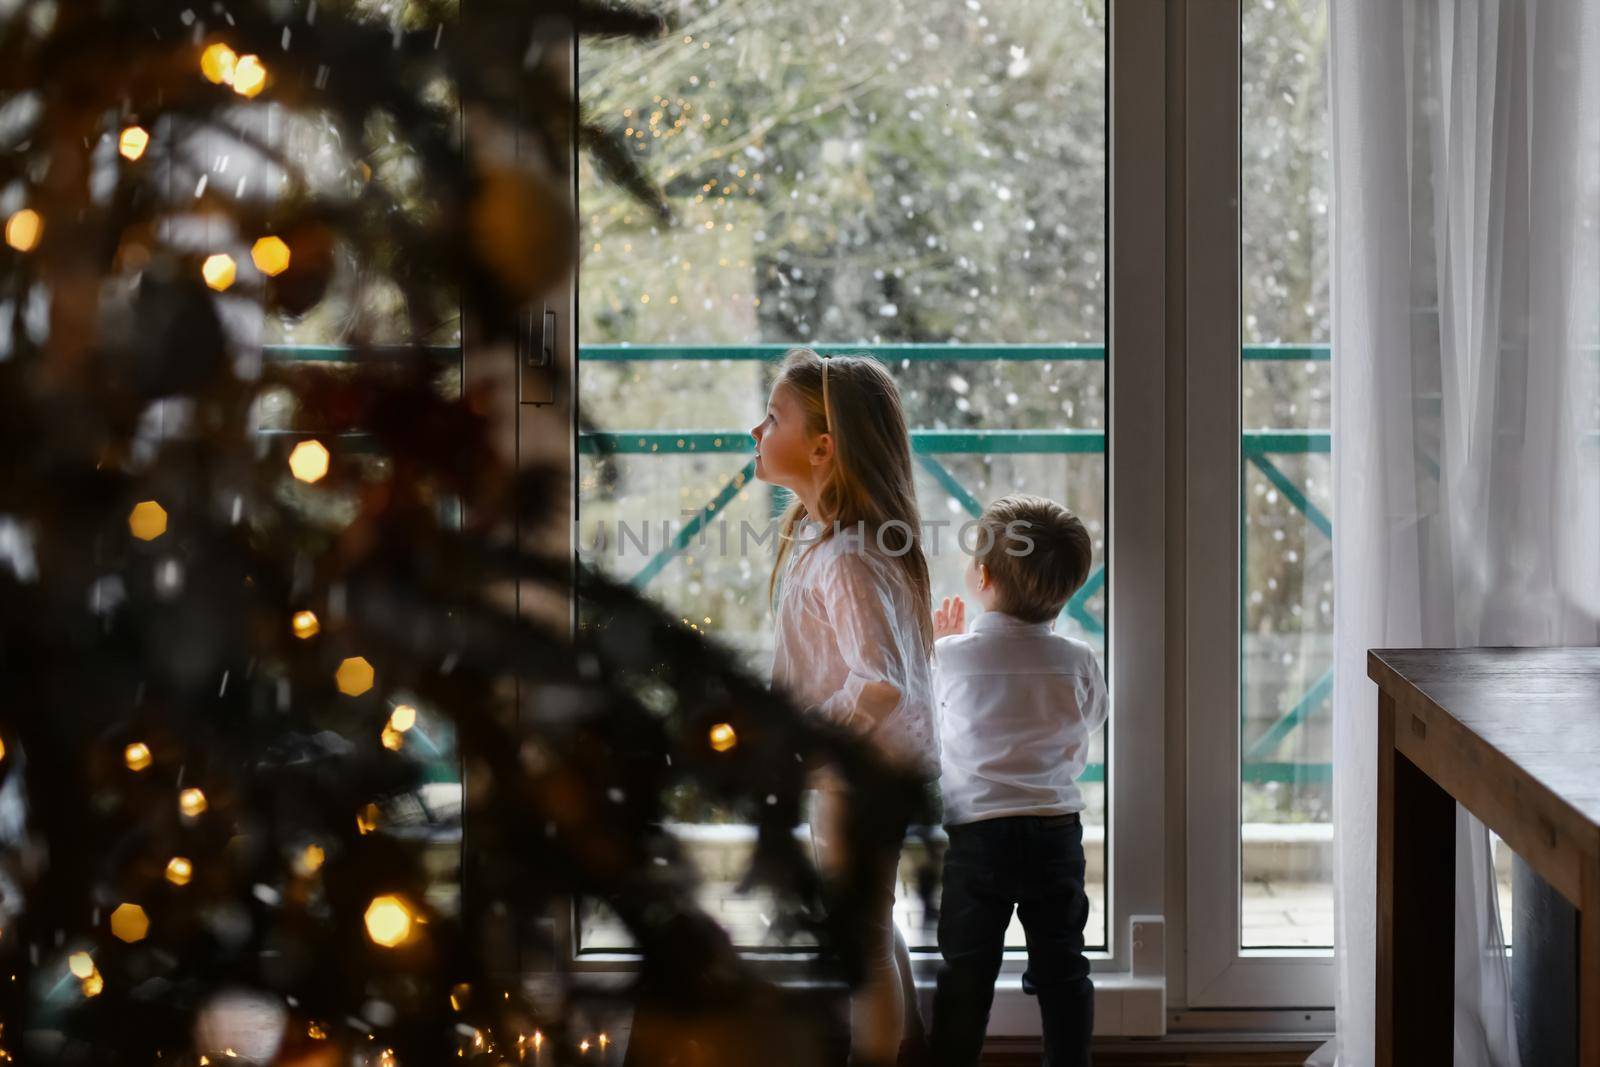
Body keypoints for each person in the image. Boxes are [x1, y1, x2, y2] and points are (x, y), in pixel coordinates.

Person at [754, 347, 938, 1067]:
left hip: (862, 777)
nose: (757, 430)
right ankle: (908, 1048)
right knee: (868, 918)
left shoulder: (848, 557)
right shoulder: (832, 544)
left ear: (823, 448)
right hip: (868, 773)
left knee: (860, 934)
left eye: (773, 418)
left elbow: (879, 681)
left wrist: (806, 738)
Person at [928, 494, 1108, 1067]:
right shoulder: (1079, 659)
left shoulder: (951, 657)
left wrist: (939, 643)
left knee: (966, 970)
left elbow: (927, 725)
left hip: (977, 837)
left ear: (981, 576)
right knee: (1063, 968)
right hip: (1055, 833)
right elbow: (1093, 716)